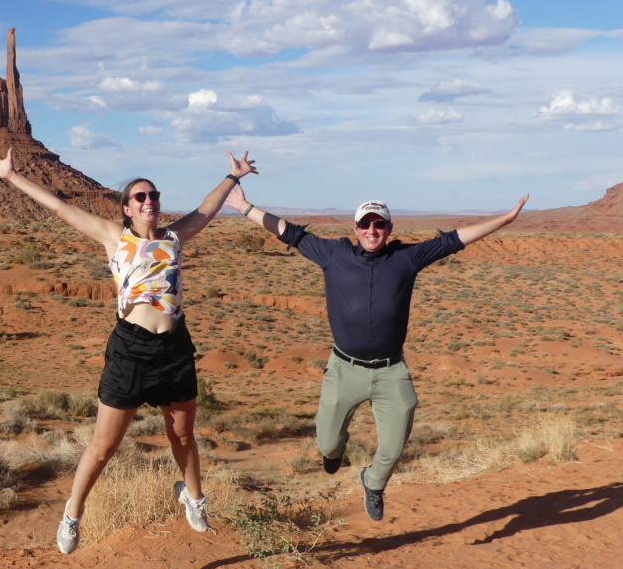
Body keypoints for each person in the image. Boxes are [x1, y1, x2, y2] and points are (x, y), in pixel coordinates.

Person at [0, 148, 257, 553]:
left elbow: (207, 209)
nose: (149, 202)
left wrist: (234, 177)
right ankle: (72, 514)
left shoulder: (176, 236)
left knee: (182, 434)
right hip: (131, 349)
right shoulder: (114, 237)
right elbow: (59, 207)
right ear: (127, 208)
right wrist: (10, 176)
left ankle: (193, 497)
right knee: (104, 445)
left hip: (175, 347)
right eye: (140, 198)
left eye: (154, 196)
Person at [225, 186, 529, 521]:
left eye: (379, 224)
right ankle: (336, 449)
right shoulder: (333, 255)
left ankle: (373, 482)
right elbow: (288, 232)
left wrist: (507, 218)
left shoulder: (406, 259)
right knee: (327, 445)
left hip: (391, 371)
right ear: (355, 228)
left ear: (389, 229)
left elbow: (455, 240)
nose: (372, 230)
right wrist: (243, 206)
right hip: (344, 369)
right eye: (365, 224)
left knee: (395, 445)